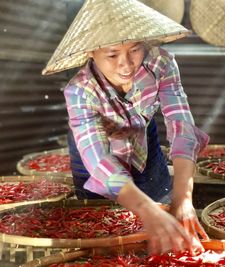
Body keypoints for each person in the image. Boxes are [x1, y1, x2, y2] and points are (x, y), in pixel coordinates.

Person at [42, 0, 209, 255]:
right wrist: (145, 208)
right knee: (105, 231)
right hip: (96, 154)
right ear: (91, 51)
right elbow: (98, 161)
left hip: (144, 143)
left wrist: (183, 197)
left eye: (134, 49)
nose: (126, 64)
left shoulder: (160, 64)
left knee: (162, 209)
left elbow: (181, 126)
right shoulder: (79, 91)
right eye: (112, 54)